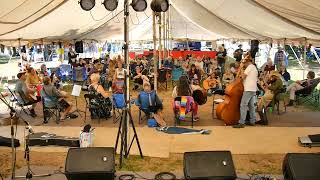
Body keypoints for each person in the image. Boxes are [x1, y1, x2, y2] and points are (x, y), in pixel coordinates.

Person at [233, 56, 258, 128]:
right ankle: (252, 121)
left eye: (244, 63)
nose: (244, 64)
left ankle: (241, 122)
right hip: (253, 89)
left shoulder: (250, 67)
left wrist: (241, 68)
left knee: (243, 105)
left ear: (248, 62)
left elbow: (242, 77)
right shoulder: (253, 67)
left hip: (248, 89)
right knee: (251, 106)